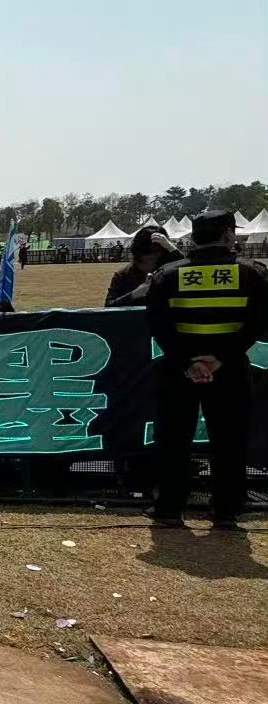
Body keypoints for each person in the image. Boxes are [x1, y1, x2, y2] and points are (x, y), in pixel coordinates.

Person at [144, 209, 268, 529]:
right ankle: (226, 510)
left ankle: (169, 507)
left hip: (178, 370)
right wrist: (222, 357)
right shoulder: (253, 273)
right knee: (229, 440)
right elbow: (258, 322)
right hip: (230, 369)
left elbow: (158, 326)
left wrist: (188, 362)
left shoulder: (167, 275)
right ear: (228, 234)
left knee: (173, 440)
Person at [106, 227, 179, 307]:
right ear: (139, 251)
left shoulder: (170, 272)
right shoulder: (123, 274)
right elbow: (109, 306)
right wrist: (134, 294)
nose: (155, 254)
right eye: (149, 251)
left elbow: (185, 265)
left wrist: (171, 248)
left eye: (160, 250)